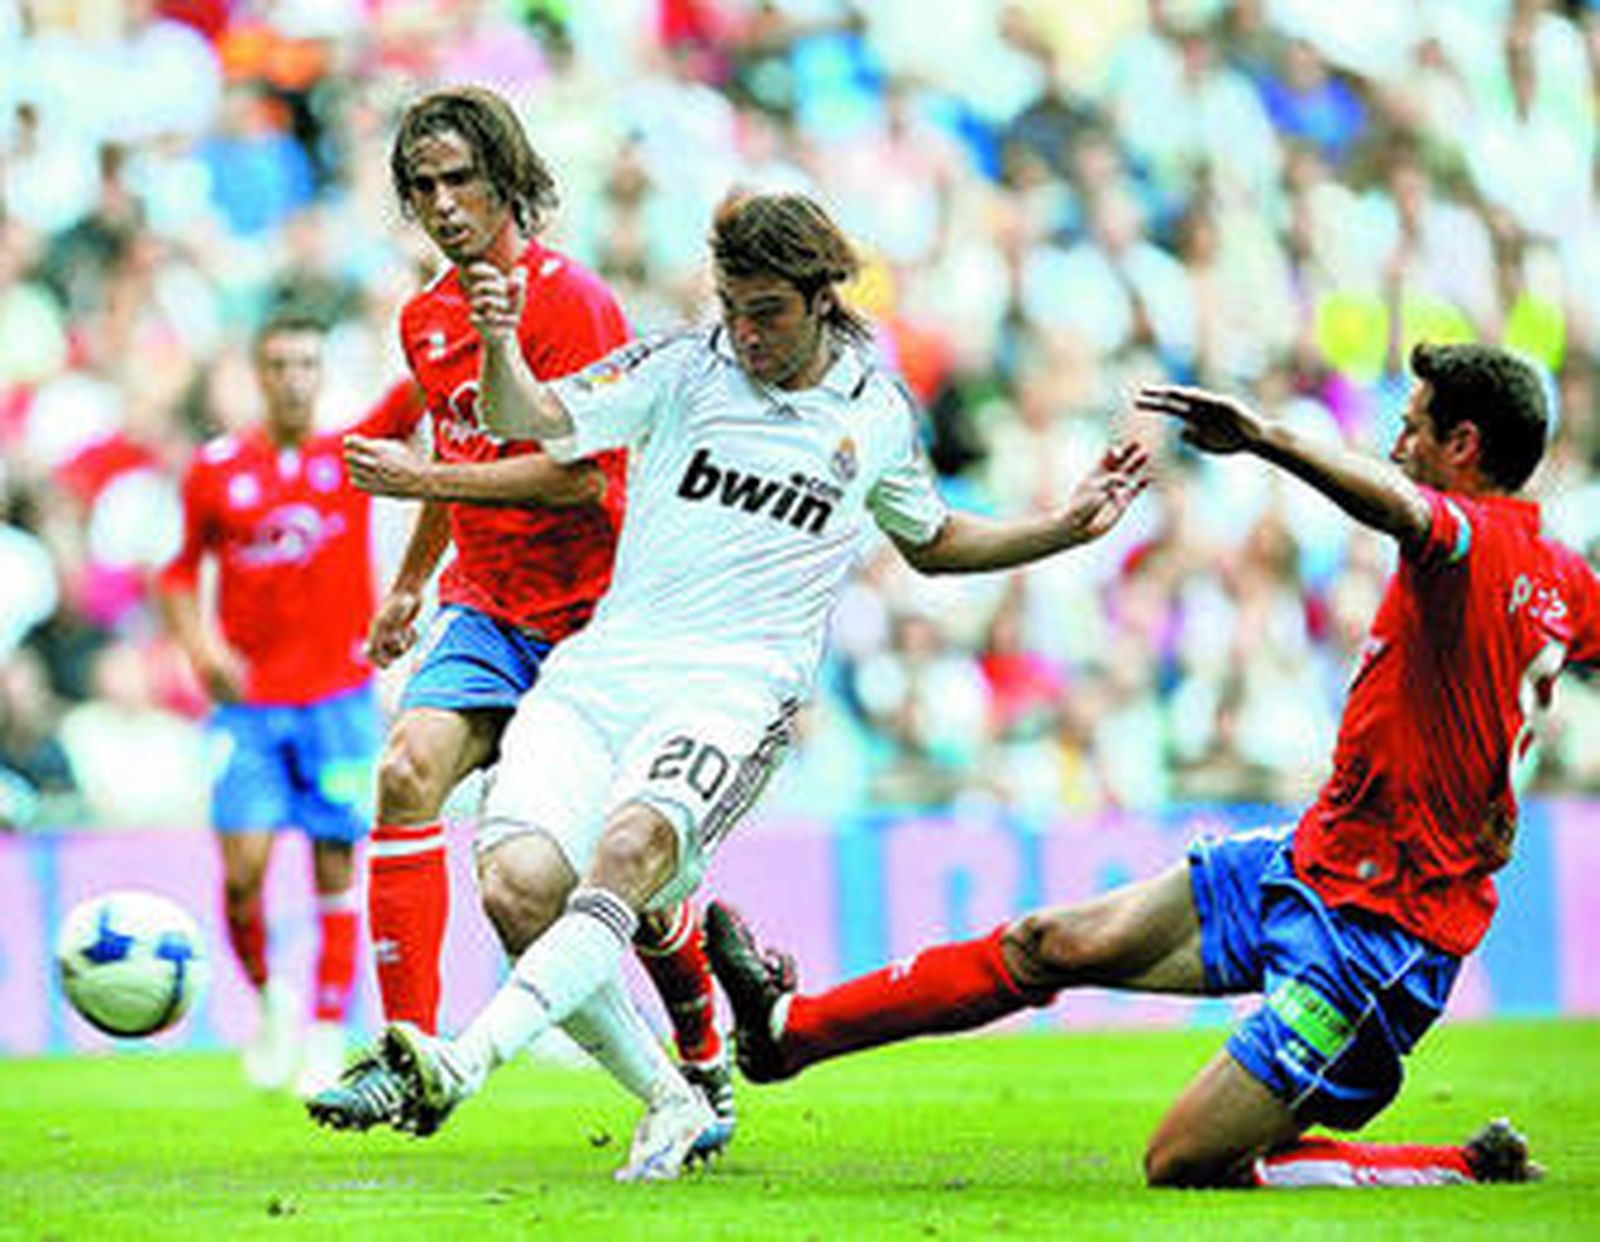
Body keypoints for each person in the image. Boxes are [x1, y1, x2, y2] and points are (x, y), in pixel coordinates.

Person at [346, 189, 1150, 1182]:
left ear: (820, 298)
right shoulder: (681, 368)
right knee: (518, 891)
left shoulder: (873, 412)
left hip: (730, 695)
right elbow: (532, 419)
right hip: (600, 672)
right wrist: (501, 345)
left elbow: (935, 544)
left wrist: (1060, 528)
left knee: (629, 851)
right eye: (731, 304)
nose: (745, 331)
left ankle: (462, 1064)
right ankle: (673, 1100)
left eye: (765, 309)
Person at [703, 342, 1592, 1188]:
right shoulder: (1562, 577)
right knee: (1046, 943)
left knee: (1184, 1163)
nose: (1397, 445)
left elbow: (1399, 508)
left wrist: (1266, 439)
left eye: (1414, 427)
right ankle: (788, 1035)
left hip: (1381, 937)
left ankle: (1457, 1166)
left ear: (1464, 446)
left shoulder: (1467, 539)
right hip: (1310, 862)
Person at [306, 86, 735, 1150]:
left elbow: (582, 484)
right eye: (422, 187)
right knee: (406, 774)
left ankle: (701, 1051)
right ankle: (406, 1053)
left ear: (506, 178)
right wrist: (412, 576)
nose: (443, 204)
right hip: (488, 609)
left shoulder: (572, 303)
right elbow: (459, 462)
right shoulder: (427, 316)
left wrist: (417, 477)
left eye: (460, 180)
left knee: (620, 886)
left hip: (596, 622)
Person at [156, 312, 402, 1095]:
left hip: (338, 698)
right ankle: (269, 1002)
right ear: (258, 376)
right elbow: (174, 573)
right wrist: (200, 647)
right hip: (250, 705)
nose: (294, 378)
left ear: (321, 375)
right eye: (280, 365)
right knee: (242, 872)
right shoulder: (216, 468)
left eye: (307, 363)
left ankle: (328, 1032)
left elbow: (419, 396)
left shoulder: (350, 455)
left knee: (335, 863)